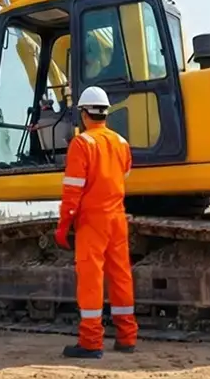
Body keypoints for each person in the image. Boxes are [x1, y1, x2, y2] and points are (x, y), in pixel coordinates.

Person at [55, 85, 138, 358]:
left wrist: (64, 224)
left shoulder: (82, 144)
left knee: (91, 279)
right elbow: (122, 175)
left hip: (93, 221)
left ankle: (91, 342)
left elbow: (73, 190)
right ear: (105, 113)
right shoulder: (121, 143)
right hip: (117, 218)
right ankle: (127, 337)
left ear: (83, 114)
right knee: (121, 277)